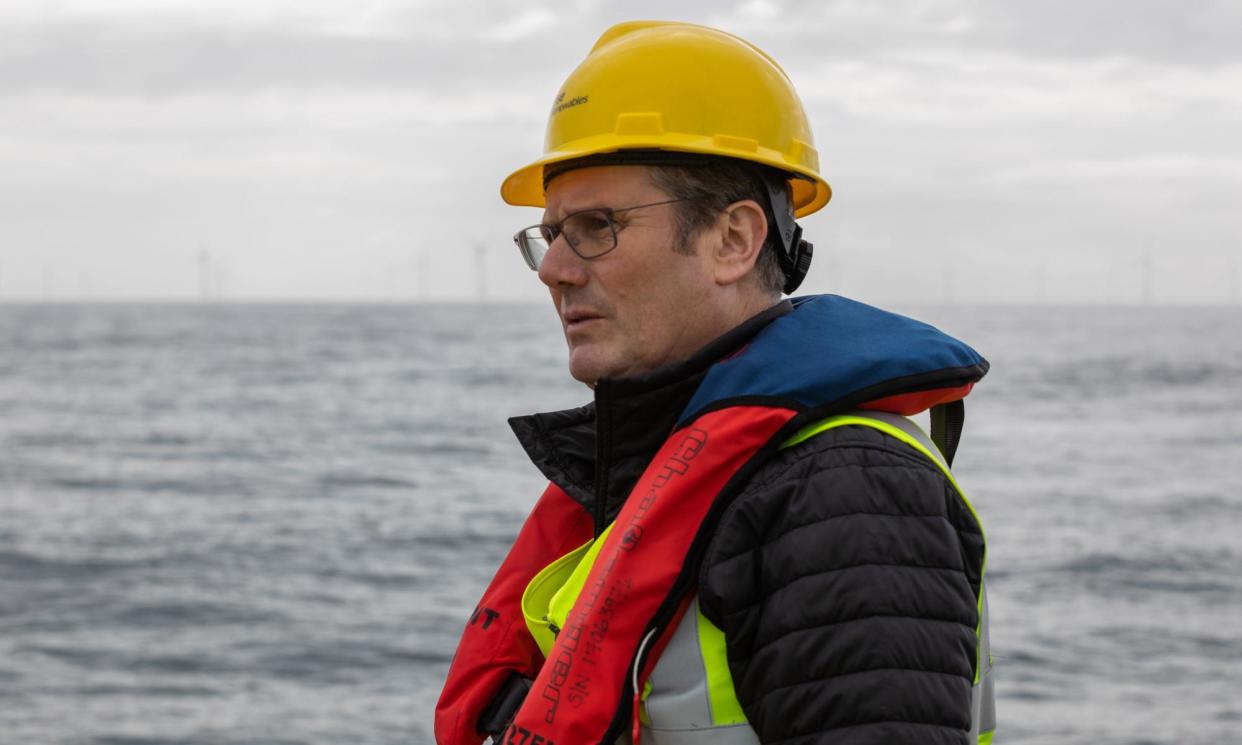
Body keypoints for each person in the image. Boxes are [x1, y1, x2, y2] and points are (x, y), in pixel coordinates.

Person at [436, 21, 995, 745]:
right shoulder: (664, 463)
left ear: (734, 240)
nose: (554, 269)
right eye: (549, 235)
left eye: (597, 226)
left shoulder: (846, 493)